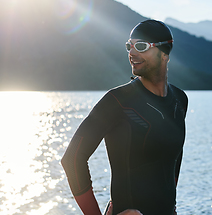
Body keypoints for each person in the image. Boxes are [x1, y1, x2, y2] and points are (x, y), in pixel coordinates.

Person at [61, 19, 188, 215]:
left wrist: (169, 204)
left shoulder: (180, 100)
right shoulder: (117, 101)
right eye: (129, 45)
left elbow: (174, 156)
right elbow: (72, 159)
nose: (132, 52)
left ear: (165, 53)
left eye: (141, 46)